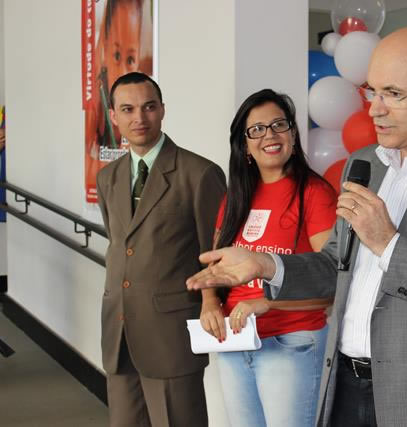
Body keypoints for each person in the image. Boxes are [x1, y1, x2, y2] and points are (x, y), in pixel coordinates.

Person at [187, 25, 407, 427]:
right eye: (372, 91)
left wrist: (388, 242)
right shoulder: (365, 162)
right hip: (346, 388)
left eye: (393, 94)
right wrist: (266, 265)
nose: (374, 109)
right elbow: (335, 263)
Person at [200, 89, 337, 427]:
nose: (270, 135)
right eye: (257, 129)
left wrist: (268, 303)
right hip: (235, 339)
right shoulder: (236, 197)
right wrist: (209, 303)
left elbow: (332, 280)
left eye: (279, 125)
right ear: (245, 145)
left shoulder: (315, 194)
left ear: (293, 133)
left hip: (290, 341)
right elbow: (215, 266)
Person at [97, 72, 226, 426]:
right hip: (119, 331)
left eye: (149, 107)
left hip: (170, 333)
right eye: (128, 109)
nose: (139, 117)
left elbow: (216, 252)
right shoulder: (108, 177)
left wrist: (211, 302)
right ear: (113, 116)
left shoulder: (199, 174)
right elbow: (122, 243)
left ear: (163, 110)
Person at [86, 0, 151, 202]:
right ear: (104, 49)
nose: (123, 72)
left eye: (130, 60)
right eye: (116, 55)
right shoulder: (96, 103)